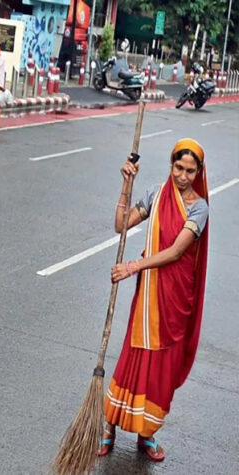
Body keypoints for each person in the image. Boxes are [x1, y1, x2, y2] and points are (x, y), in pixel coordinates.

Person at [99, 138, 209, 462]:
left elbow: (176, 252)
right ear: (171, 165)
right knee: (134, 355)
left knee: (162, 367)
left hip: (175, 298)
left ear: (199, 173)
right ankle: (110, 427)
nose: (183, 176)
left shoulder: (199, 208)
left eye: (190, 171)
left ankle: (146, 432)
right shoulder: (156, 195)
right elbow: (120, 225)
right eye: (178, 167)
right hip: (149, 294)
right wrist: (126, 183)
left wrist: (132, 267)